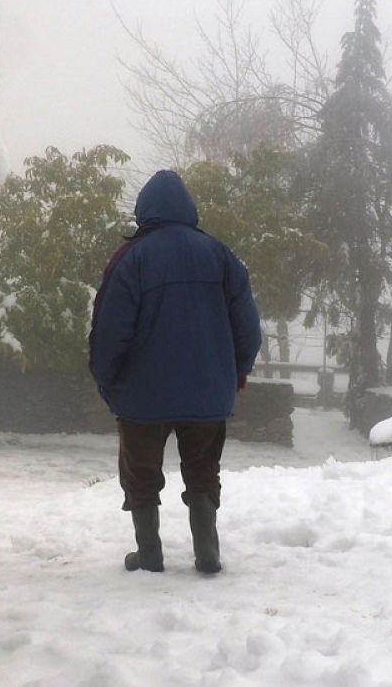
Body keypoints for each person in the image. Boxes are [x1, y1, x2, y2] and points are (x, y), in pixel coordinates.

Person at [88, 170, 263, 574]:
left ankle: (149, 553)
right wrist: (235, 372)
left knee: (141, 473)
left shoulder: (131, 258)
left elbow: (110, 331)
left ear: (144, 210)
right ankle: (207, 553)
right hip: (207, 394)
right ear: (188, 209)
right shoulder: (222, 256)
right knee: (203, 469)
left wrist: (107, 380)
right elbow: (248, 329)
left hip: (141, 396)